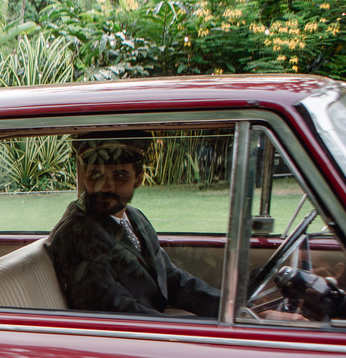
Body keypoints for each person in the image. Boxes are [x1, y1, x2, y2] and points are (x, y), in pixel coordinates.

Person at [47, 131, 221, 317]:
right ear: (84, 177)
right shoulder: (78, 234)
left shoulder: (133, 216)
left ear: (138, 179)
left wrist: (228, 306)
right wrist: (188, 330)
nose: (105, 186)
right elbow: (117, 311)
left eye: (119, 175)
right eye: (96, 175)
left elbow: (169, 277)